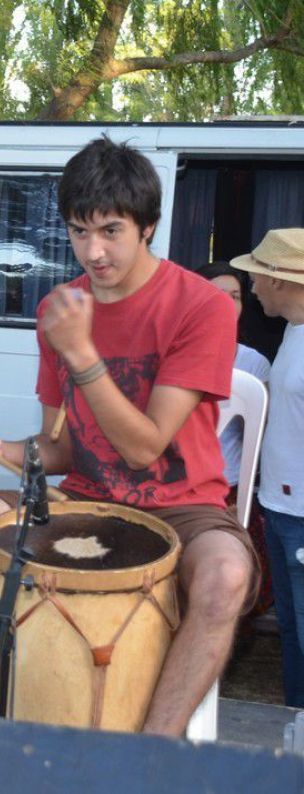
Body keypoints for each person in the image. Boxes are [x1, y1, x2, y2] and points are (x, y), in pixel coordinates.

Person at [0, 136, 254, 737]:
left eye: (111, 231)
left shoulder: (203, 307)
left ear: (147, 227)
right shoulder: (61, 308)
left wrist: (84, 354)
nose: (93, 252)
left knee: (226, 576)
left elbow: (145, 448)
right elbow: (60, 449)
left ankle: (151, 749)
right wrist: (2, 451)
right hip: (85, 496)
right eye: (78, 232)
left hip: (184, 506)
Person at [231, 228, 304, 707]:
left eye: (257, 276)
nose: (252, 287)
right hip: (280, 509)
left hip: (301, 517)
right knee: (294, 637)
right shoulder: (293, 333)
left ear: (281, 280)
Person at [198, 261, 274, 617]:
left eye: (236, 296)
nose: (229, 304)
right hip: (180, 487)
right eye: (218, 295)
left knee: (235, 586)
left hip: (229, 489)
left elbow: (261, 436)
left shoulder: (254, 364)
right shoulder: (171, 353)